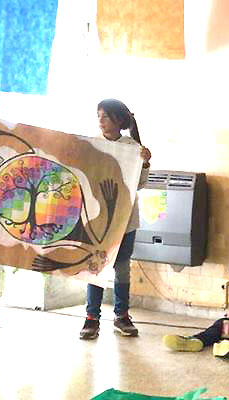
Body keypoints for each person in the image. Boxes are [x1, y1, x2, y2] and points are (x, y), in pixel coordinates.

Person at [79, 99, 151, 340]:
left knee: (121, 268)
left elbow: (139, 184)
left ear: (119, 120)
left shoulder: (132, 147)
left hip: (125, 220)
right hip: (98, 218)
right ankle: (92, 317)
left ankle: (122, 316)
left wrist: (145, 164)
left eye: (106, 116)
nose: (101, 120)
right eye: (98, 115)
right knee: (96, 267)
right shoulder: (93, 144)